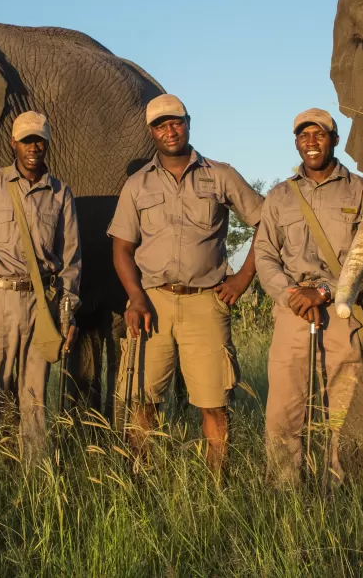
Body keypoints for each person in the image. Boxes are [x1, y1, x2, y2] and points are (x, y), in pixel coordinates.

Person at [108, 94, 263, 474]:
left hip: (205, 302)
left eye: (175, 122)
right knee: (143, 400)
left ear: (189, 122)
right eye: (161, 125)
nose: (170, 130)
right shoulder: (136, 185)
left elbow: (267, 222)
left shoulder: (219, 175)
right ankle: (140, 484)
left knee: (213, 402)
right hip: (152, 303)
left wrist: (242, 278)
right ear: (151, 133)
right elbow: (122, 249)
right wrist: (136, 298)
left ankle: (217, 489)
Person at [254, 108, 363, 487]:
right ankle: (284, 489)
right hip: (293, 312)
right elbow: (264, 254)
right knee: (284, 408)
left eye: (319, 134)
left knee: (342, 404)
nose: (311, 142)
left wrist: (328, 290)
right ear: (296, 143)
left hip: (342, 310)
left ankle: (338, 487)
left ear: (335, 140)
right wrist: (290, 293)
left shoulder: (362, 191)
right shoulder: (279, 196)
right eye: (303, 135)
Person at [0, 111, 81, 461]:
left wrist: (66, 315)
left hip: (42, 305)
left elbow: (71, 262)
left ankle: (37, 491)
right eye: (26, 140)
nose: (33, 147)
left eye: (39, 140)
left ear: (47, 144)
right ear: (13, 143)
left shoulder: (60, 194)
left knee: (35, 399)